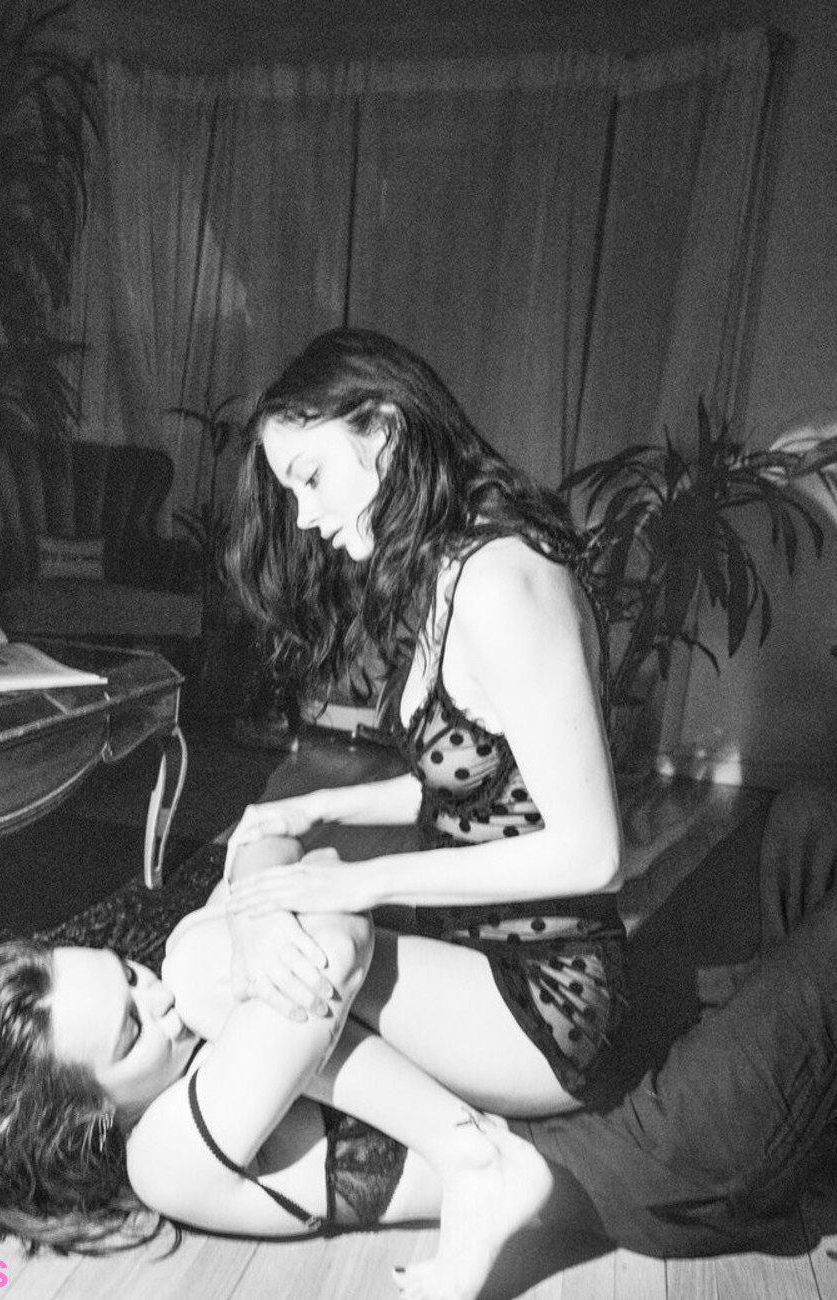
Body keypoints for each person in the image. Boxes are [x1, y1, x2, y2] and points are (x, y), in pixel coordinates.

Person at [0, 786, 837, 1300]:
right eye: (131, 1030)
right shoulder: (165, 1156)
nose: (153, 994)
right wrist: (228, 934)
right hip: (647, 1139)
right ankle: (475, 1157)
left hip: (622, 1023)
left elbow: (270, 837)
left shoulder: (201, 1005)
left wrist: (246, 912)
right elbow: (333, 933)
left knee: (805, 820)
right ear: (89, 1122)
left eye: (127, 970)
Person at [222, 326, 625, 1113]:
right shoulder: (452, 565)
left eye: (310, 478)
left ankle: (466, 1156)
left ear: (384, 427)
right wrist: (314, 806)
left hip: (544, 997)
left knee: (219, 970)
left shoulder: (499, 581)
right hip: (471, 954)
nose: (303, 517)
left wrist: (361, 883)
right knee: (233, 947)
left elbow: (594, 854)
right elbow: (483, 793)